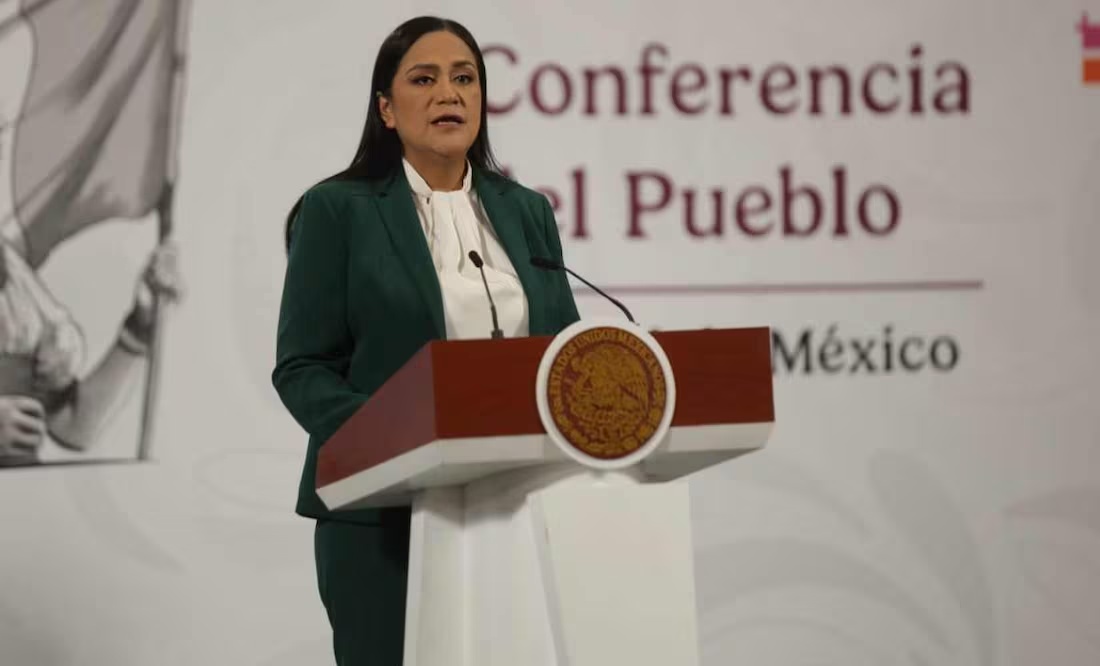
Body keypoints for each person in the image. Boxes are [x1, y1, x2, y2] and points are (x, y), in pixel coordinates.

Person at [271, 15, 581, 666]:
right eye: (425, 78)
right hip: (384, 516)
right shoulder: (338, 211)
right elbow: (303, 367)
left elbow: (564, 355)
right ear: (386, 108)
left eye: (465, 78)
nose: (450, 93)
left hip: (519, 511)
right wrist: (392, 441)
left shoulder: (527, 211)